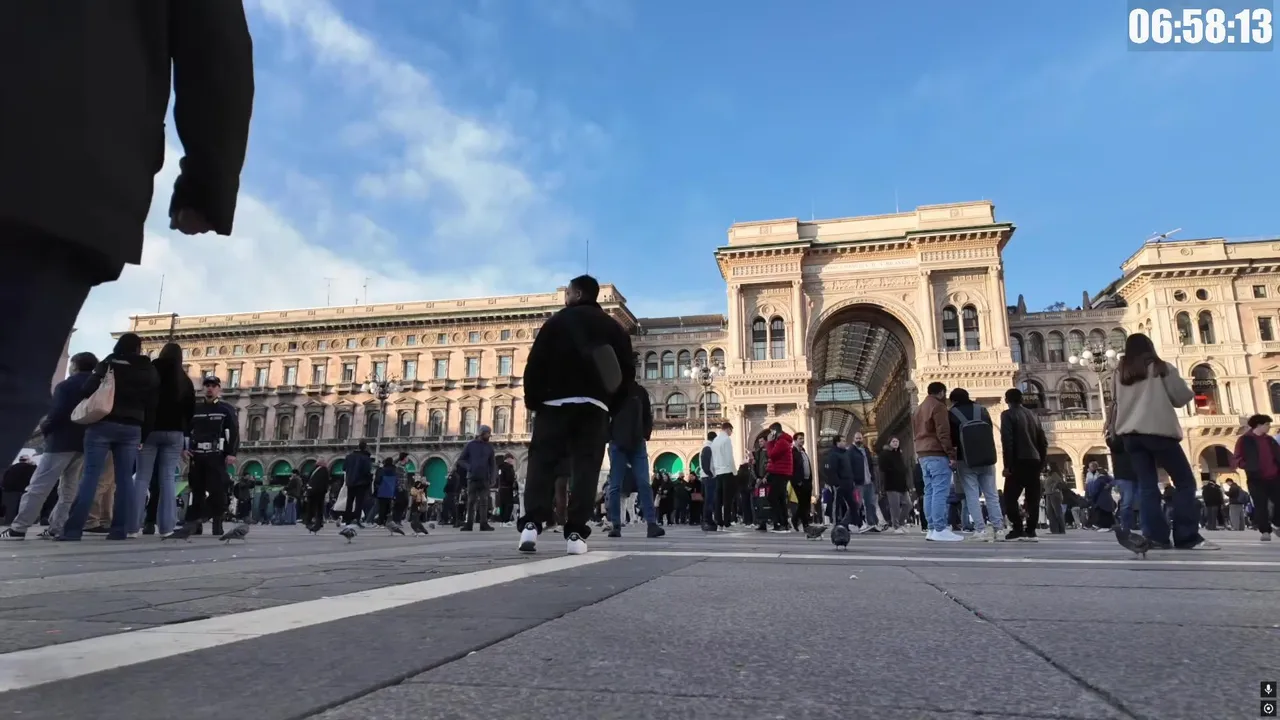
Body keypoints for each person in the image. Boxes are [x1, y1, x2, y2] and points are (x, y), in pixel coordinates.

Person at [0, 2, 254, 467]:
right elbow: (218, 49)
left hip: (60, 162)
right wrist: (207, 185)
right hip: (68, 165)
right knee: (9, 366)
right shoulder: (171, 382)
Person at [517, 275, 634, 555]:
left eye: (568, 292)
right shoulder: (614, 328)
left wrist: (533, 399)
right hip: (594, 407)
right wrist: (610, 406)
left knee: (542, 464)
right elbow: (626, 375)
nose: (565, 297)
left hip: (553, 404)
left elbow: (535, 363)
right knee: (586, 470)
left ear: (578, 294)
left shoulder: (556, 322)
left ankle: (531, 525)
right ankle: (575, 535)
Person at [1109, 333, 1215, 551]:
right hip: (1158, 432)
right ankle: (1187, 537)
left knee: (1147, 486)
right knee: (1185, 482)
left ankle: (1156, 537)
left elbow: (1115, 401)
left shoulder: (1119, 373)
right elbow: (1181, 397)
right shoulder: (1160, 367)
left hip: (1130, 436)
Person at [60, 333, 160, 541]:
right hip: (132, 428)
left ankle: (73, 530)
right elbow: (152, 405)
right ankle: (119, 529)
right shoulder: (149, 370)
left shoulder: (109, 363)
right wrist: (144, 433)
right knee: (125, 480)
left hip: (102, 424)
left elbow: (87, 389)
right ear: (138, 348)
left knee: (90, 476)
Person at [1, 352, 97, 540]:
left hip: (60, 441)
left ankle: (19, 528)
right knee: (69, 489)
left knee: (39, 486)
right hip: (84, 443)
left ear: (75, 365)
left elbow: (57, 412)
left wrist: (45, 428)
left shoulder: (66, 386)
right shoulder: (97, 386)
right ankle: (57, 527)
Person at [131, 343, 194, 537]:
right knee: (168, 478)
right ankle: (167, 527)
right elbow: (190, 411)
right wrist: (184, 432)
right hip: (174, 433)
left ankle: (132, 526)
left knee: (142, 477)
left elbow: (140, 400)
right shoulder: (184, 380)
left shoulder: (151, 373)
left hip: (150, 431)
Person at [604, 372, 663, 538]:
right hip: (618, 444)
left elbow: (647, 415)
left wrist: (645, 434)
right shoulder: (613, 391)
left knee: (643, 483)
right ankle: (616, 525)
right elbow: (605, 415)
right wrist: (609, 436)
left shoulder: (640, 392)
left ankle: (651, 524)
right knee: (615, 486)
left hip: (637, 443)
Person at [181, 375, 238, 537]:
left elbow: (233, 432)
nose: (210, 389)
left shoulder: (225, 409)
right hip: (197, 455)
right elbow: (186, 431)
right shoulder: (195, 409)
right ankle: (196, 524)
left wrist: (231, 453)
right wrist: (184, 449)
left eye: (213, 386)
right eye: (207, 385)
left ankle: (217, 522)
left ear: (219, 389)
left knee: (218, 490)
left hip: (216, 455)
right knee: (197, 490)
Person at [947, 388, 1004, 542]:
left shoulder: (952, 413)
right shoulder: (982, 410)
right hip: (986, 457)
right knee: (992, 495)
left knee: (972, 495)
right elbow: (990, 430)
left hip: (965, 459)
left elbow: (951, 439)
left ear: (953, 400)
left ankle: (980, 530)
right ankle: (999, 529)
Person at [912, 381, 962, 542]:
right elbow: (943, 432)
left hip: (923, 454)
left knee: (929, 491)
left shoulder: (919, 408)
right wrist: (951, 454)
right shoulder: (938, 406)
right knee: (940, 491)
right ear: (941, 392)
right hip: (937, 453)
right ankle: (940, 528)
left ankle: (932, 528)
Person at [999, 387, 1048, 542]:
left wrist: (1007, 466)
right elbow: (1043, 442)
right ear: (1022, 400)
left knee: (1009, 498)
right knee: (1033, 497)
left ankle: (1018, 528)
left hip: (1018, 460)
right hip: (1034, 460)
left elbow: (1007, 441)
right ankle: (1031, 530)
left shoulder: (1007, 414)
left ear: (1006, 400)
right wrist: (1041, 462)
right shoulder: (1033, 415)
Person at [1231, 414, 1280, 542]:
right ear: (1259, 425)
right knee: (1260, 504)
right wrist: (1246, 465)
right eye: (1267, 424)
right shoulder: (1245, 440)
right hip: (1256, 479)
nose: (1269, 427)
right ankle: (1265, 531)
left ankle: (1276, 523)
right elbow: (1237, 457)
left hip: (1274, 477)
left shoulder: (1270, 440)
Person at [456, 425, 497, 532]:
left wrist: (493, 477)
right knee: (471, 501)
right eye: (488, 433)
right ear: (481, 433)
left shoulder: (489, 447)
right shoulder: (470, 445)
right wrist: (469, 467)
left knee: (484, 501)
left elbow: (493, 464)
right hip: (472, 477)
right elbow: (461, 460)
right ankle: (469, 524)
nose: (489, 436)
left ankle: (484, 524)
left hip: (485, 478)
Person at [877, 437, 910, 534]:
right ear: (889, 443)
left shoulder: (899, 454)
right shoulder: (884, 454)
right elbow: (882, 468)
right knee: (895, 507)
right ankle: (896, 526)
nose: (895, 443)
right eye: (893, 441)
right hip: (891, 484)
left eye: (897, 441)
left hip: (902, 484)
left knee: (908, 504)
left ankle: (900, 523)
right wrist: (893, 471)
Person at [710, 422, 737, 530]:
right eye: (731, 430)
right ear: (728, 429)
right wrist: (734, 472)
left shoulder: (715, 441)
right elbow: (729, 457)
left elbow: (712, 458)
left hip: (718, 472)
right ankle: (727, 522)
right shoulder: (726, 440)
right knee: (727, 499)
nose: (731, 433)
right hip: (727, 471)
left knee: (718, 499)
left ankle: (718, 521)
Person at [343, 441, 374, 526]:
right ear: (365, 447)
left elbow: (344, 468)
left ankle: (347, 519)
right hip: (361, 483)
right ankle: (357, 519)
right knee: (359, 502)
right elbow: (366, 471)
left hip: (350, 482)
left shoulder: (349, 457)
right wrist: (370, 478)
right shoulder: (365, 458)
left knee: (349, 501)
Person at [791, 432, 815, 531]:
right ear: (795, 440)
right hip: (799, 482)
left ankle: (796, 519)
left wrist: (810, 480)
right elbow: (792, 468)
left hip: (807, 481)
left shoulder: (803, 452)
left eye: (803, 438)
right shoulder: (792, 452)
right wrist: (797, 481)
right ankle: (805, 524)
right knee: (802, 503)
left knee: (805, 503)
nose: (802, 440)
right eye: (800, 438)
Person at [699, 431, 718, 531]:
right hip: (708, 477)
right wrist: (710, 474)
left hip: (706, 476)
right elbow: (705, 463)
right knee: (709, 500)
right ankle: (707, 520)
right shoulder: (708, 447)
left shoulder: (707, 447)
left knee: (709, 499)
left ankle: (708, 520)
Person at [374, 458, 398, 525]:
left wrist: (376, 489)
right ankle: (386, 521)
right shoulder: (394, 470)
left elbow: (377, 480)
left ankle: (380, 522)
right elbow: (396, 481)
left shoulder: (381, 470)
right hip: (391, 491)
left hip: (382, 490)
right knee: (388, 507)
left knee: (382, 507)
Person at [497, 454, 518, 525]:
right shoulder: (508, 467)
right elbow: (510, 478)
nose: (512, 462)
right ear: (509, 459)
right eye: (512, 460)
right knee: (508, 505)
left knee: (502, 505)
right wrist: (514, 479)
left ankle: (502, 520)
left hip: (501, 488)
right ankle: (506, 520)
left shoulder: (500, 467)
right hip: (508, 488)